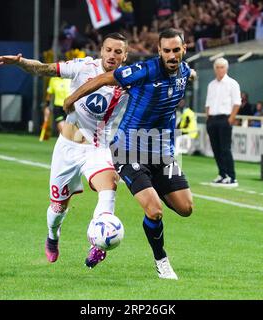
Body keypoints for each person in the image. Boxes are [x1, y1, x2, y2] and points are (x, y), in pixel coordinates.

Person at [63, 28, 197, 280]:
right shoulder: (144, 70)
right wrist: (72, 97)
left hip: (162, 153)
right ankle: (161, 260)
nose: (171, 55)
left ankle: (152, 191)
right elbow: (104, 79)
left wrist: (192, 75)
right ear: (159, 51)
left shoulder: (185, 71)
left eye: (175, 50)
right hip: (128, 149)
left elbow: (188, 73)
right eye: (166, 50)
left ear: (183, 50)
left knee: (186, 208)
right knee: (155, 210)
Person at [0, 33, 129, 269]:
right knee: (57, 208)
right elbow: (44, 69)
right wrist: (22, 63)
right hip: (67, 149)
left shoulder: (129, 81)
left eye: (118, 52)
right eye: (109, 50)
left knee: (109, 187)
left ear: (125, 56)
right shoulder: (83, 67)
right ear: (101, 50)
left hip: (97, 149)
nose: (112, 55)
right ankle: (52, 236)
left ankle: (98, 243)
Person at [205, 57, 241, 187]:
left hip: (225, 118)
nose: (220, 70)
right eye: (217, 67)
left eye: (222, 67)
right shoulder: (211, 85)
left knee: (225, 148)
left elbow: (237, 103)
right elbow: (208, 103)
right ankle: (222, 174)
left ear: (226, 68)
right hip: (212, 119)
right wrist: (208, 118)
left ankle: (231, 176)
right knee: (216, 149)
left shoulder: (232, 83)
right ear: (215, 69)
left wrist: (231, 119)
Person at [40, 74, 71, 140]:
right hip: (58, 108)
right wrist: (47, 107)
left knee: (69, 132)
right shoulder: (53, 80)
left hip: (70, 108)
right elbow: (49, 95)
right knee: (62, 130)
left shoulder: (70, 79)